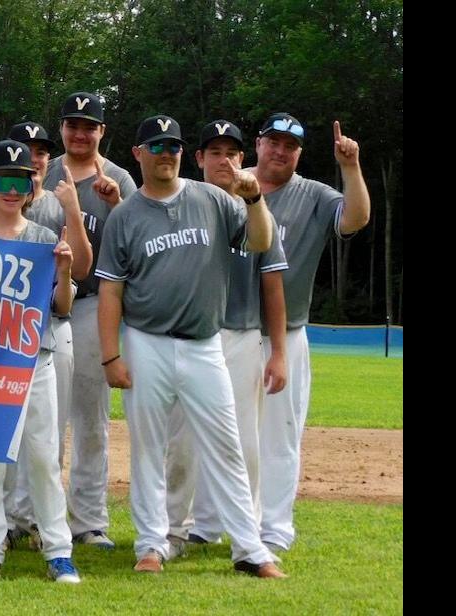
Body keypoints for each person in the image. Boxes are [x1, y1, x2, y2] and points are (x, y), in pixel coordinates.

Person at [95, 115, 285, 578]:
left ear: (183, 153)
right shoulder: (125, 216)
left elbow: (260, 241)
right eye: (156, 146)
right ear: (138, 153)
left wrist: (255, 198)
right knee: (148, 449)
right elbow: (111, 291)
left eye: (174, 147)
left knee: (226, 448)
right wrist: (111, 355)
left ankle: (249, 549)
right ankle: (151, 545)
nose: (167, 154)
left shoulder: (214, 199)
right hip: (146, 341)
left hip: (204, 344)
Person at [164, 120, 289, 552]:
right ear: (197, 159)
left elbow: (272, 284)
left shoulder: (256, 212)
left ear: (243, 159)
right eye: (214, 152)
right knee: (180, 442)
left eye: (232, 153)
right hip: (185, 335)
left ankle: (245, 530)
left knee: (242, 443)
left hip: (239, 334)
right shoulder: (176, 205)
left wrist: (279, 353)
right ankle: (175, 529)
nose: (225, 160)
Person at [0, 140, 80, 584]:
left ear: (32, 189)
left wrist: (65, 271)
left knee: (44, 460)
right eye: (3, 181)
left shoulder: (46, 240)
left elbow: (62, 308)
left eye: (22, 181)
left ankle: (59, 550)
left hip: (36, 362)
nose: (12, 190)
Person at [251, 112, 369, 552]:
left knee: (280, 435)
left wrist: (351, 166)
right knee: (227, 435)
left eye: (291, 145)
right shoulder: (229, 187)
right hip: (228, 330)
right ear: (259, 144)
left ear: (299, 152)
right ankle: (222, 521)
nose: (281, 151)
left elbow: (355, 218)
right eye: (274, 141)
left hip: (288, 333)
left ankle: (275, 528)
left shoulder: (314, 194)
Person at [37, 92, 138, 550]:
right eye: (73, 124)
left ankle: (89, 520)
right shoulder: (43, 167)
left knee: (91, 418)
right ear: (61, 127)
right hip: (41, 305)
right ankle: (33, 515)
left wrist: (116, 203)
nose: (80, 133)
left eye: (89, 125)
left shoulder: (118, 177)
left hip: (93, 304)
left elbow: (140, 236)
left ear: (102, 131)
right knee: (42, 416)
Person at [0, 121, 93, 551]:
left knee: (46, 433)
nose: (34, 156)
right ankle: (8, 520)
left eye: (40, 151)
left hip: (48, 331)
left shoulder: (56, 204)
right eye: (26, 149)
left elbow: (81, 272)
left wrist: (73, 208)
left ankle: (40, 523)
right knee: (2, 437)